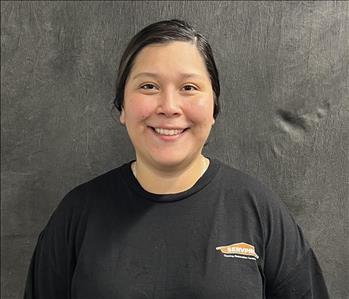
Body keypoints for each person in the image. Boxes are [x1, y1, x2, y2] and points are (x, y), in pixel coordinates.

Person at [24, 19, 329, 299]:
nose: (169, 106)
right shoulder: (77, 214)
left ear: (214, 108)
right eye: (149, 86)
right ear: (122, 108)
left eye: (188, 87)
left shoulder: (258, 211)